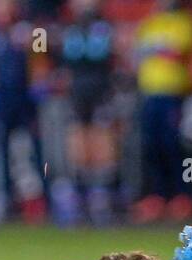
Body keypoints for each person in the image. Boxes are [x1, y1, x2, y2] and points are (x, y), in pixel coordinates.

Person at [0, 0, 49, 222]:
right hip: (2, 100)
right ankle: (4, 197)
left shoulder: (30, 31)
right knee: (0, 152)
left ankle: (43, 197)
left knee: (36, 150)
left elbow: (40, 59)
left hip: (26, 100)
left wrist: (39, 85)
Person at [131, 0, 192, 223]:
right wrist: (160, 49)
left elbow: (178, 52)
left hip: (174, 94)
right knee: (152, 146)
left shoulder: (184, 22)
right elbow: (137, 53)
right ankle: (157, 195)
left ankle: (183, 196)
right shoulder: (151, 22)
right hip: (150, 93)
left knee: (176, 146)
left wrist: (157, 50)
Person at [57, 0, 120, 224]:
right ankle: (80, 191)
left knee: (101, 138)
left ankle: (101, 193)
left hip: (100, 90)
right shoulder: (72, 29)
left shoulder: (103, 28)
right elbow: (66, 59)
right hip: (78, 92)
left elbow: (100, 54)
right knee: (78, 139)